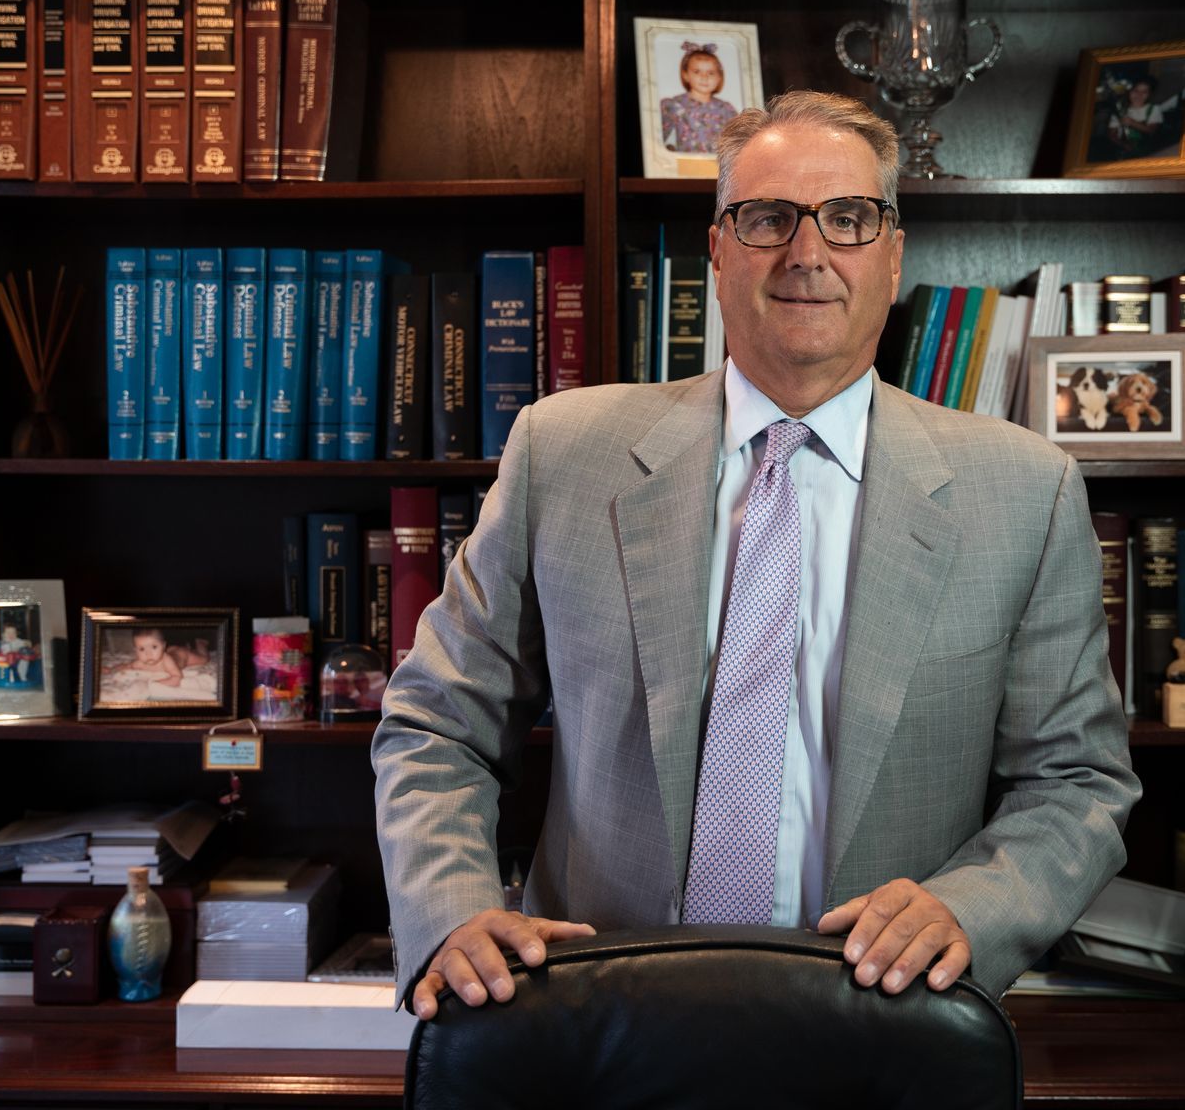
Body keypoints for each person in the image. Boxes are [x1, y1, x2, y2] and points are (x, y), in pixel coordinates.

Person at [371, 90, 1140, 1020]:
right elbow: (435, 722)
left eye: (848, 218)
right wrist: (450, 912)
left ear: (893, 257)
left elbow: (1078, 781)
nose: (807, 253)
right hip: (593, 1016)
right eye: (768, 217)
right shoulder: (563, 453)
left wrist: (972, 910)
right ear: (718, 249)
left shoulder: (1024, 491)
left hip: (882, 1026)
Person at [660, 44, 738, 155]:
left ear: (719, 77)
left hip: (718, 168)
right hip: (688, 167)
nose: (704, 77)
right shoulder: (673, 105)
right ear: (685, 74)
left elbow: (738, 143)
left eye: (710, 73)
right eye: (697, 71)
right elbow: (656, 143)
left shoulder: (726, 109)